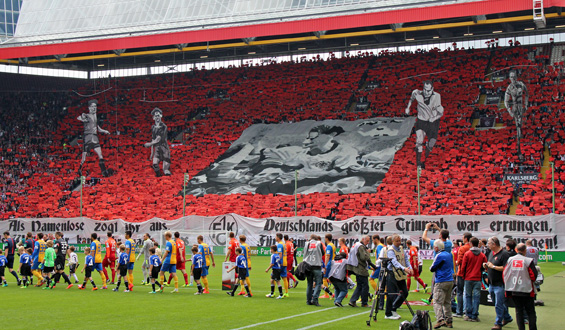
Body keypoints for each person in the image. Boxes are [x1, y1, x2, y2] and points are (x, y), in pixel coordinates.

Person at [405, 80, 444, 168]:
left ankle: (426, 158)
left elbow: (441, 113)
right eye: (425, 90)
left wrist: (433, 118)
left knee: (431, 143)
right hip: (421, 121)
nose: (426, 92)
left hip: (432, 122)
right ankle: (418, 163)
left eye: (429, 90)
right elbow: (411, 99)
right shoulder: (416, 93)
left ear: (432, 89)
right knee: (419, 140)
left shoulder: (437, 96)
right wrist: (408, 107)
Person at [503, 243, 538, 330]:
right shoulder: (528, 261)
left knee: (519, 311)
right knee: (530, 312)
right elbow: (533, 275)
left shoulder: (510, 260)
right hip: (527, 290)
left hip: (514, 289)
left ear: (516, 250)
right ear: (525, 250)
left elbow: (505, 273)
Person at [76, 99, 111, 177]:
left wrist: (105, 131)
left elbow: (98, 128)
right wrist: (82, 118)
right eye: (92, 106)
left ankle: (104, 172)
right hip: (88, 137)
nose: (94, 108)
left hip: (94, 137)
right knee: (84, 157)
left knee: (100, 155)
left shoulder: (95, 117)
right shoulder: (86, 115)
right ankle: (80, 169)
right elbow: (80, 117)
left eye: (95, 106)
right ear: (89, 107)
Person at [486, 236, 513, 330]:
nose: (487, 245)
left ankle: (498, 323)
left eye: (489, 243)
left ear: (494, 244)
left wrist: (493, 267)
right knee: (497, 303)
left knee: (498, 304)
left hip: (500, 283)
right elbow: (490, 263)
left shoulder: (504, 254)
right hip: (492, 283)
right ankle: (507, 317)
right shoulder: (491, 253)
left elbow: (506, 268)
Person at [421, 223, 452, 305]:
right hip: (448, 266)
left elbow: (424, 237)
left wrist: (426, 228)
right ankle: (431, 299)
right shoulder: (449, 244)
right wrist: (438, 228)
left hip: (438, 266)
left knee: (436, 285)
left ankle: (435, 300)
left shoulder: (436, 243)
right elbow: (446, 236)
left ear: (440, 235)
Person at [384, 234, 413, 320]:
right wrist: (404, 268)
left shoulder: (401, 249)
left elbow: (406, 260)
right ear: (393, 241)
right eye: (397, 241)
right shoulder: (390, 250)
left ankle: (394, 308)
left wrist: (410, 268)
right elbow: (394, 262)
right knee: (391, 293)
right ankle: (388, 313)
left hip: (400, 273)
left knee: (405, 292)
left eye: (400, 240)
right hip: (392, 273)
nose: (399, 242)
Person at [460, 237, 487, 322]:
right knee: (476, 297)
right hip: (477, 278)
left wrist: (462, 275)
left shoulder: (467, 254)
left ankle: (468, 314)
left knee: (468, 296)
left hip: (468, 277)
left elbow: (463, 266)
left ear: (471, 243)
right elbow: (485, 266)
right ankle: (475, 315)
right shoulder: (482, 255)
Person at [430, 239, 454, 329]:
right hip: (449, 279)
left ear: (436, 248)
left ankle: (440, 320)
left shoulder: (439, 255)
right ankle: (449, 320)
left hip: (441, 280)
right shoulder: (449, 254)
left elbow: (432, 268)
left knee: (437, 301)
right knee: (447, 302)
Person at [504, 70, 529, 157]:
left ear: (516, 77)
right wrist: (509, 111)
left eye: (514, 76)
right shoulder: (509, 88)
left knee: (521, 126)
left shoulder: (521, 84)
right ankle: (519, 149)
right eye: (511, 77)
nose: (513, 78)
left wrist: (526, 105)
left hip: (521, 107)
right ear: (509, 78)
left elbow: (527, 94)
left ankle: (521, 146)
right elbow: (505, 101)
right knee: (518, 127)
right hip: (515, 108)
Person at [347, 235, 376, 308]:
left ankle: (353, 300)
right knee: (365, 286)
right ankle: (364, 302)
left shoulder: (356, 245)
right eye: (367, 241)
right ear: (363, 239)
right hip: (361, 268)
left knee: (360, 286)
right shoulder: (361, 247)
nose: (368, 242)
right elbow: (363, 257)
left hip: (356, 267)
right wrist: (368, 253)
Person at [143, 107, 171, 176]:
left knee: (166, 169)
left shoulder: (164, 126)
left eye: (158, 115)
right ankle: (158, 175)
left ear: (161, 116)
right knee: (155, 164)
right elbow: (153, 139)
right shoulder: (153, 127)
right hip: (157, 149)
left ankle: (166, 173)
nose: (157, 117)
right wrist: (152, 153)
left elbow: (159, 138)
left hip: (164, 148)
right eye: (156, 116)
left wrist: (149, 144)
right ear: (153, 118)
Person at [303, 234, 324, 306]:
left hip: (308, 266)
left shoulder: (307, 243)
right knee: (318, 283)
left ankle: (308, 300)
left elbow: (304, 254)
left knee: (309, 284)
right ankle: (315, 299)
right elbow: (323, 253)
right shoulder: (319, 243)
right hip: (317, 266)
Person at [454, 232, 472, 318]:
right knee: (468, 293)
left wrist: (457, 262)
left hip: (462, 272)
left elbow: (459, 261)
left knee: (460, 292)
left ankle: (459, 311)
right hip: (471, 272)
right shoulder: (472, 248)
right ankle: (468, 310)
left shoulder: (463, 248)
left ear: (465, 239)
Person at [321, 233, 336, 299]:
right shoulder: (333, 245)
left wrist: (325, 265)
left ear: (327, 238)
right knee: (331, 279)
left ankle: (326, 294)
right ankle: (344, 291)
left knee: (324, 278)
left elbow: (327, 256)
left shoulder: (329, 246)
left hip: (329, 263)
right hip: (333, 262)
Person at [275, 233, 289, 297]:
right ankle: (286, 292)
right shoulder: (283, 244)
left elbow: (280, 254)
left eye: (276, 236)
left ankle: (273, 292)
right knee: (284, 278)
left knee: (273, 277)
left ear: (278, 237)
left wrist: (277, 262)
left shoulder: (280, 244)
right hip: (285, 262)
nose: (275, 238)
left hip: (281, 263)